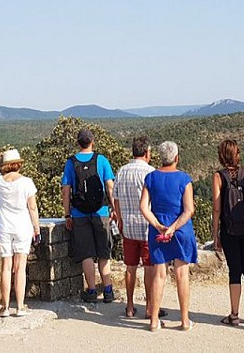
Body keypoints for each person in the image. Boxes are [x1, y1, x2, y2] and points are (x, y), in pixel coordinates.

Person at [140, 141, 197, 332]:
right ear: (176, 158)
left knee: (159, 274)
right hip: (181, 230)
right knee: (182, 274)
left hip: (158, 230)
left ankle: (154, 320)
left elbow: (143, 207)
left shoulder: (151, 178)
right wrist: (173, 228)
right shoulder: (184, 179)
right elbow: (189, 210)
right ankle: (184, 320)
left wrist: (157, 225)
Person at [113, 137, 166, 319]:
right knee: (149, 268)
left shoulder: (121, 172)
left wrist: (119, 219)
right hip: (147, 227)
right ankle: (151, 307)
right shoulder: (150, 172)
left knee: (130, 267)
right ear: (146, 153)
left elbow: (116, 199)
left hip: (127, 226)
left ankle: (129, 306)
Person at [61, 129, 117, 303]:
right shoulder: (101, 160)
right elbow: (110, 186)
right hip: (100, 212)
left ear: (78, 143)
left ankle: (91, 290)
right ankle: (108, 290)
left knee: (86, 254)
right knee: (103, 251)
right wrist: (114, 208)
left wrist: (67, 214)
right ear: (92, 141)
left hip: (79, 213)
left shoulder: (71, 163)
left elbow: (66, 190)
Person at [212, 139, 244, 326]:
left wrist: (215, 232)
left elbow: (216, 208)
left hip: (230, 229)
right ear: (237, 154)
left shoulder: (218, 177)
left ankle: (234, 315)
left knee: (234, 271)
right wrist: (242, 166)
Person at [0, 149, 40, 318]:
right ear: (18, 164)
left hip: (4, 226)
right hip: (22, 226)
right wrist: (36, 228)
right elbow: (32, 207)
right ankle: (20, 306)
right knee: (20, 268)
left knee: (6, 267)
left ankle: (5, 307)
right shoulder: (26, 182)